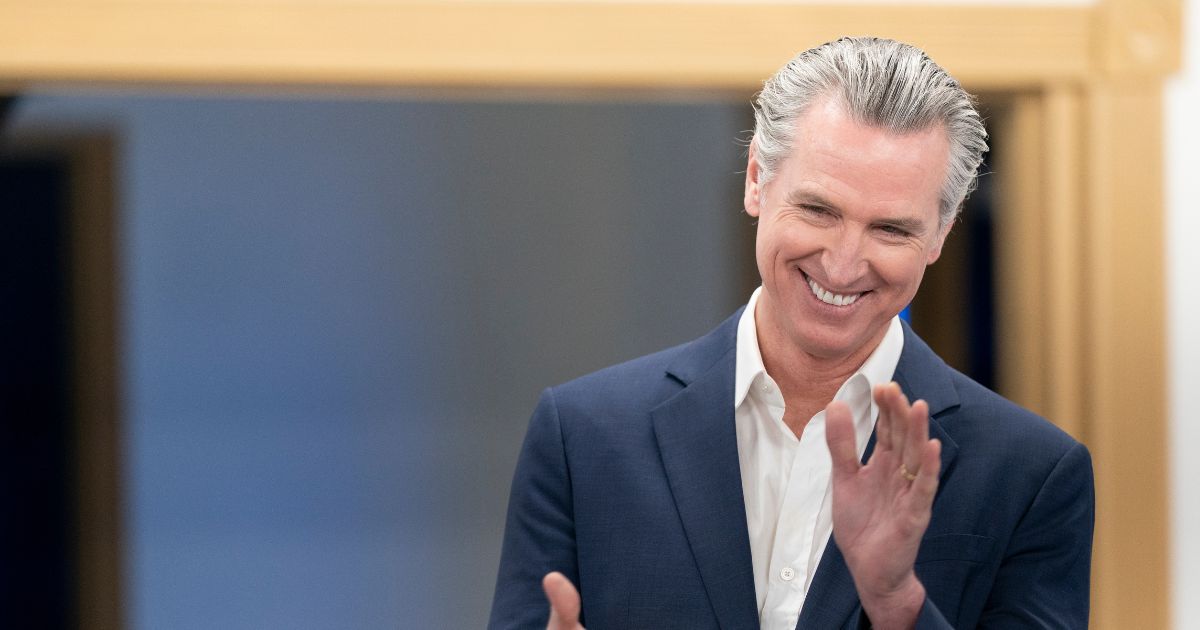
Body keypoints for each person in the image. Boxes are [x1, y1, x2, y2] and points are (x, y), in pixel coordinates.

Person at [488, 37, 1094, 630]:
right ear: (757, 179)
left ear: (940, 233)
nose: (843, 265)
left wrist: (897, 602)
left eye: (891, 230)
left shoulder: (1032, 474)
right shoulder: (583, 435)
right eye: (819, 210)